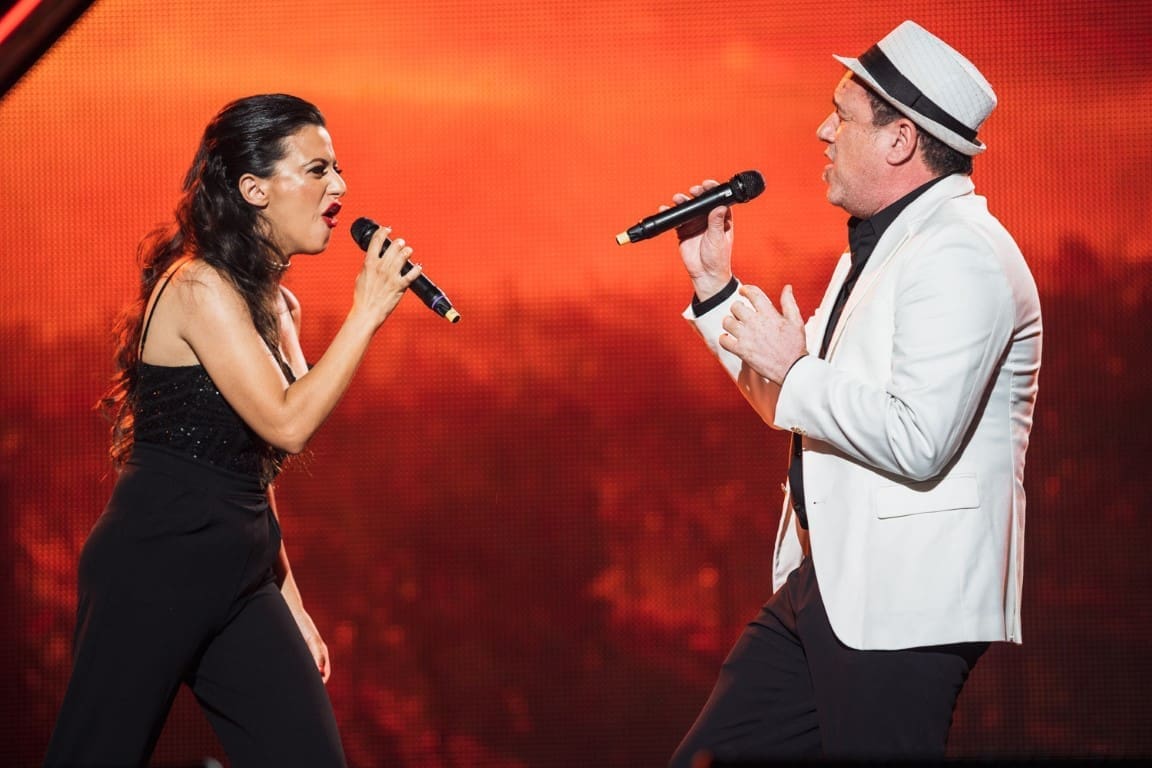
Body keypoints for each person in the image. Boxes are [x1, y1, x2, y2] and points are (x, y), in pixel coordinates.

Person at [667, 21, 1042, 764]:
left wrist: (798, 370)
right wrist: (715, 290)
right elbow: (795, 401)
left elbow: (917, 438)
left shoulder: (961, 255)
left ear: (900, 140)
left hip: (904, 600)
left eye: (841, 115)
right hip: (831, 583)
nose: (822, 131)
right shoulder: (884, 248)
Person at [44, 93, 420, 767]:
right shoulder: (197, 287)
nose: (339, 187)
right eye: (317, 169)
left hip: (241, 575)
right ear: (254, 189)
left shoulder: (278, 305)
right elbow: (288, 422)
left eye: (338, 169)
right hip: (156, 565)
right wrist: (366, 311)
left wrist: (291, 601)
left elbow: (254, 466)